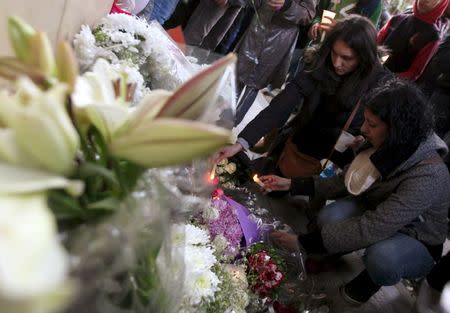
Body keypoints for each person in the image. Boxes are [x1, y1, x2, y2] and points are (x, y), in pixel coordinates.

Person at [261, 79, 450, 306]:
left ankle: (367, 282)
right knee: (329, 217)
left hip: (416, 237)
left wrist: (303, 242)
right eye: (365, 121)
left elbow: (374, 225)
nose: (363, 129)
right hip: (380, 207)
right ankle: (332, 253)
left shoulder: (430, 175)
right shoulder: (388, 142)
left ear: (395, 129)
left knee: (382, 258)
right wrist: (292, 184)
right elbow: (346, 181)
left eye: (371, 124)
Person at [215, 15, 389, 178]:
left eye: (346, 58)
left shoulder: (379, 83)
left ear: (364, 57)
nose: (337, 63)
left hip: (333, 164)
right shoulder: (322, 62)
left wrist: (362, 139)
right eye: (334, 53)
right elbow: (282, 104)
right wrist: (241, 143)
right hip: (299, 144)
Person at [234, 0, 315, 124]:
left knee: (255, 83)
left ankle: (232, 123)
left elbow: (308, 14)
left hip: (280, 37)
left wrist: (287, 5)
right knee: (239, 73)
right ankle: (224, 114)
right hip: (258, 27)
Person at [377, 0, 450, 81]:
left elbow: (414, 73)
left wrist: (385, 78)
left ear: (442, 3)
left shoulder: (433, 37)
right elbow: (374, 44)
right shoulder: (398, 18)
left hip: (389, 85)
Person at [307, 0, 383, 41]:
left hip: (338, 57)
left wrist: (340, 29)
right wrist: (315, 23)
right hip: (314, 48)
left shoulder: (375, 4)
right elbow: (318, 13)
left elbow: (367, 37)